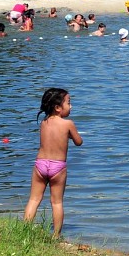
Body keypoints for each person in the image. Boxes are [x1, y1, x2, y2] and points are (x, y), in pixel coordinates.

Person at [23, 88, 82, 238]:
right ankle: (56, 236)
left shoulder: (44, 122)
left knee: (34, 199)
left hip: (40, 165)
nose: (71, 106)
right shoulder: (68, 124)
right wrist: (70, 135)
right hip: (57, 167)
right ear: (57, 107)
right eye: (68, 103)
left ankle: (25, 230)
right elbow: (79, 142)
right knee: (56, 203)